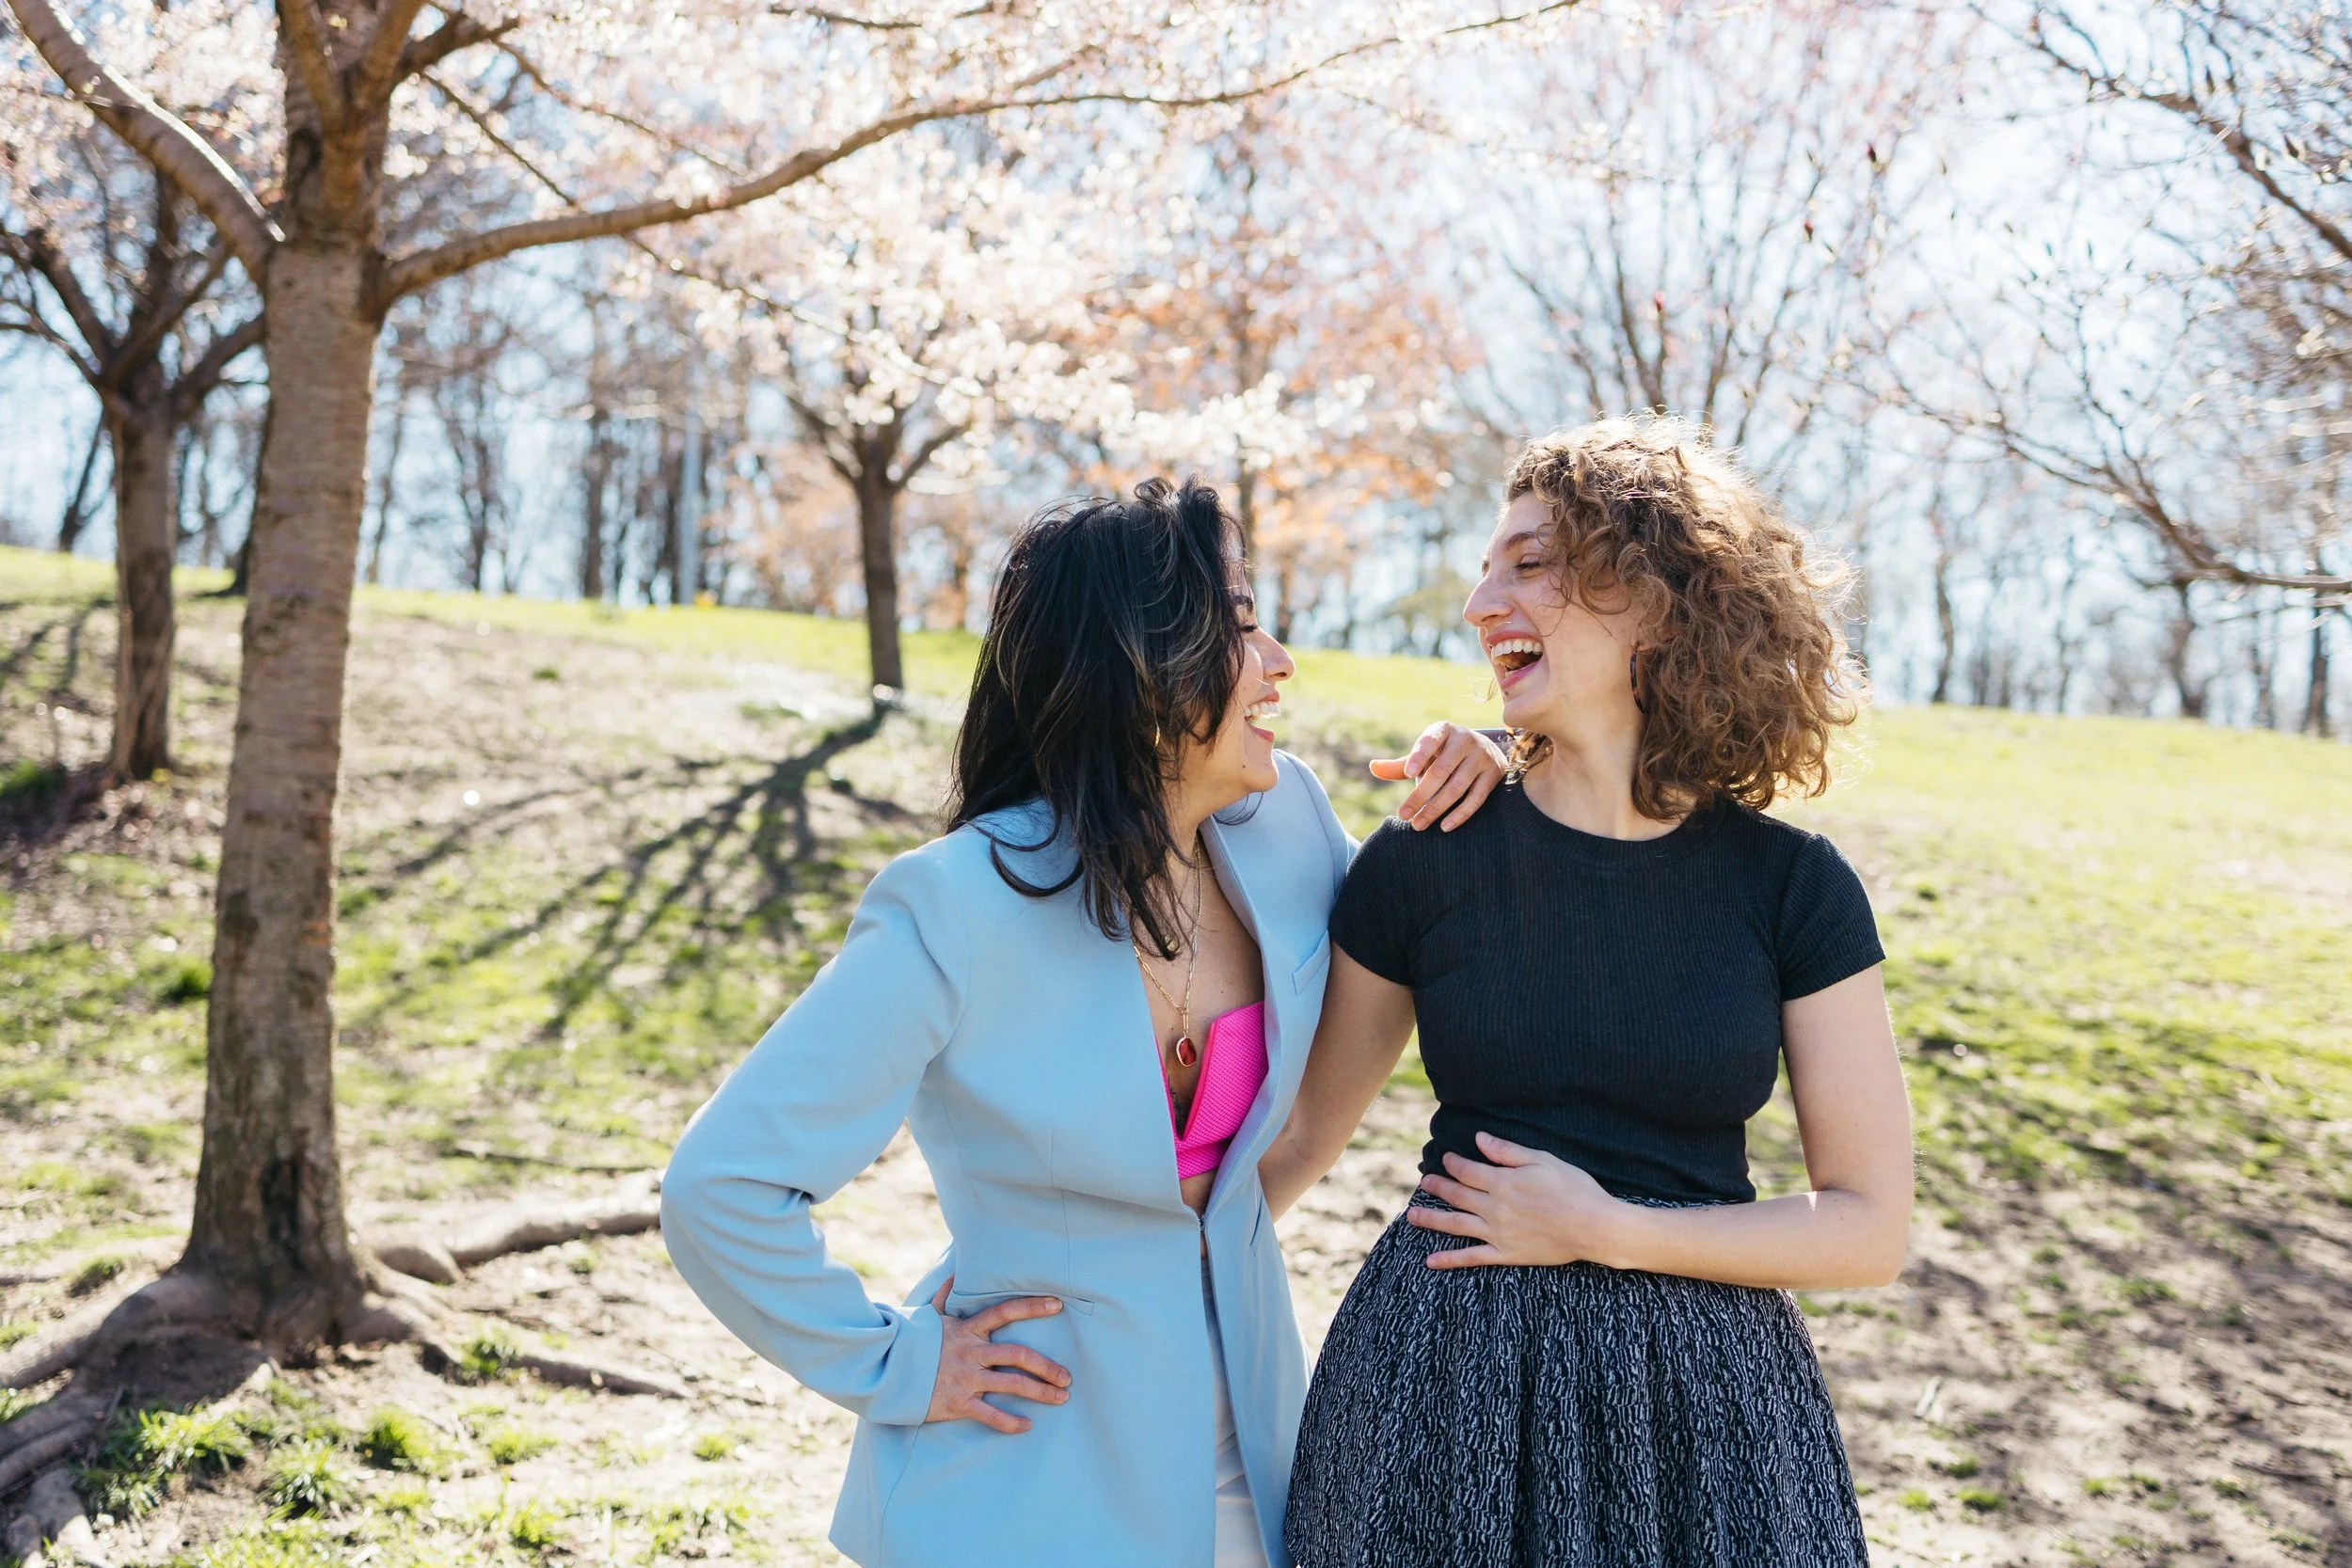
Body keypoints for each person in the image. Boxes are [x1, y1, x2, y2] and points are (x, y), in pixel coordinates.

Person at [660, 477, 1505, 1568]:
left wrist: (1492, 769)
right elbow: (720, 1187)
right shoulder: (956, 901)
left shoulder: (1291, 824)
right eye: (1242, 625)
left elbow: (1406, 945)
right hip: (1019, 1465)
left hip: (1258, 1446)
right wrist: (898, 1364)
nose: (1282, 659)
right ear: (1143, 663)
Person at [1265, 417, 1914, 1568]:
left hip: (1709, 1417)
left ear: (1658, 600)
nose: (1478, 602)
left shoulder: (1791, 887)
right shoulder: (1430, 848)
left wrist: (1607, 1228)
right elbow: (1301, 1135)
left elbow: (1867, 1225)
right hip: (1442, 1387)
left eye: (1528, 562)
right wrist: (1101, 1266)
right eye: (1483, 567)